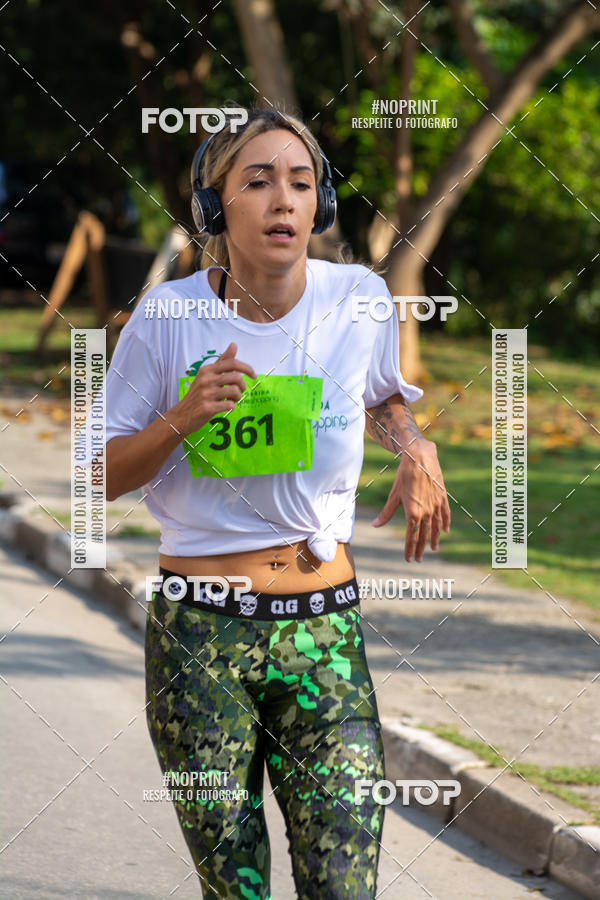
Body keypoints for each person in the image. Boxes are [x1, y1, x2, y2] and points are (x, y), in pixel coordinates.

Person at [104, 107, 450, 899]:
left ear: (321, 204)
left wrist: (414, 445)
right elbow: (98, 473)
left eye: (301, 182)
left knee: (345, 880)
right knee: (237, 888)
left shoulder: (358, 298)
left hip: (325, 633)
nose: (284, 199)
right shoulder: (167, 316)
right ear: (214, 206)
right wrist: (184, 415)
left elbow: (382, 396)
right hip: (201, 639)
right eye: (258, 181)